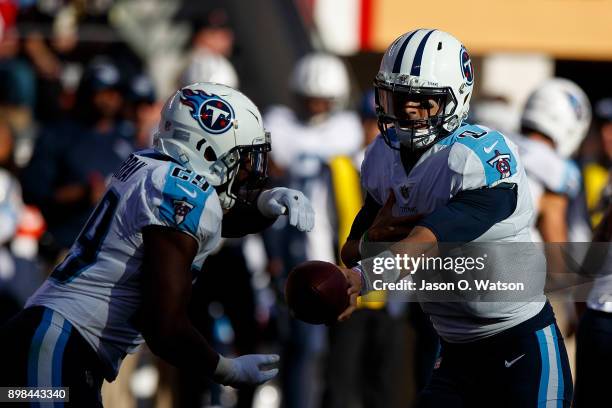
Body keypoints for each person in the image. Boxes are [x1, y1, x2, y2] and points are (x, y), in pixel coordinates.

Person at [0, 83, 315, 406]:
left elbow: (217, 217)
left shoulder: (152, 166)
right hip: (57, 349)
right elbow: (163, 326)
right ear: (207, 149)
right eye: (242, 157)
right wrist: (225, 369)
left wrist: (266, 202)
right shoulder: (180, 192)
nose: (249, 169)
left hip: (54, 343)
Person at [338, 29, 573, 407]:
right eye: (399, 97)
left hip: (520, 343)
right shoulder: (383, 156)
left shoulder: (479, 157)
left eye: (423, 100)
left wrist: (362, 278)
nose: (409, 110)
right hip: (455, 351)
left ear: (455, 99)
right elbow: (352, 250)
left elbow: (426, 241)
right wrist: (359, 258)